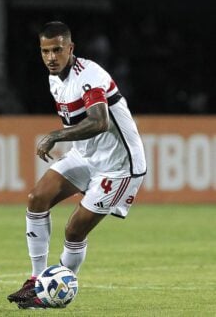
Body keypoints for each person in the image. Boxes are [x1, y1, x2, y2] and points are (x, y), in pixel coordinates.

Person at [7, 21, 146, 309]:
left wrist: (56, 136)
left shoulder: (89, 77)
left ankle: (54, 292)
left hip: (118, 166)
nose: (51, 57)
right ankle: (36, 281)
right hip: (85, 156)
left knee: (73, 230)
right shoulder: (53, 79)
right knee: (37, 198)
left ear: (71, 48)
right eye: (45, 51)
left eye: (57, 50)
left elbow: (100, 121)